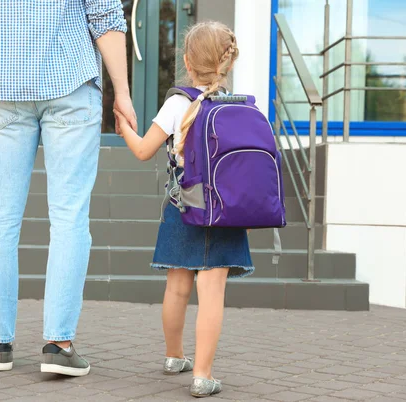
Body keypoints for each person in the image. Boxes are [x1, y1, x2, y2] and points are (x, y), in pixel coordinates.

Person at [0, 0, 137, 376]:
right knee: (70, 217)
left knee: (0, 221)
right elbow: (105, 17)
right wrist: (121, 92)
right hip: (70, 85)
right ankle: (59, 345)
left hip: (2, 87)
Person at [114, 21, 254, 397]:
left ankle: (174, 356)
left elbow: (144, 150)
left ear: (188, 63)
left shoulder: (177, 103)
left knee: (177, 288)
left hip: (183, 207)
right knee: (212, 293)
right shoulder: (236, 107)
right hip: (225, 212)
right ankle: (202, 375)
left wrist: (122, 125)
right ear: (226, 64)